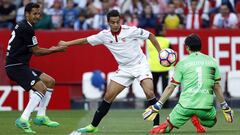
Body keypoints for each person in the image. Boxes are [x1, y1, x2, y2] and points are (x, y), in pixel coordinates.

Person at [58, 9, 161, 133]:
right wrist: (66, 43)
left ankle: (156, 126)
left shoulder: (131, 30)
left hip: (140, 65)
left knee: (149, 92)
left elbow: (150, 35)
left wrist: (160, 52)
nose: (116, 25)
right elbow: (85, 40)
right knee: (108, 97)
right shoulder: (104, 35)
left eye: (118, 22)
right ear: (108, 22)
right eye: (113, 22)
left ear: (120, 21)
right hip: (124, 69)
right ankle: (93, 126)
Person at [143, 34, 234, 134]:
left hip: (185, 107)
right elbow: (216, 87)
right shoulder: (212, 61)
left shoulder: (182, 63)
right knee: (212, 122)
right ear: (200, 46)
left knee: (165, 129)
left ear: (186, 47)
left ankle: (162, 128)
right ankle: (198, 119)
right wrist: (225, 107)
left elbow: (171, 87)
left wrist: (157, 105)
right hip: (205, 107)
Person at [5, 2, 66, 134]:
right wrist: (56, 50)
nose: (37, 16)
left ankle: (41, 116)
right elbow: (37, 51)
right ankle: (23, 119)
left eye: (39, 14)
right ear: (27, 14)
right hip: (16, 67)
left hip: (20, 65)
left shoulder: (23, 25)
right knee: (41, 88)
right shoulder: (26, 28)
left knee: (50, 81)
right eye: (34, 14)